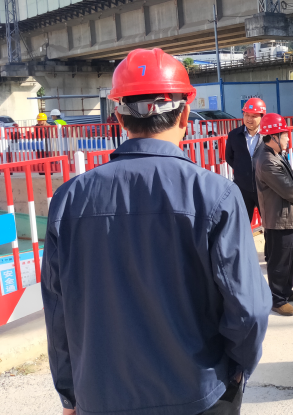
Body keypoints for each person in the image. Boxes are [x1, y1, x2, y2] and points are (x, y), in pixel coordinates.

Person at [41, 48, 272, 415]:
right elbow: (249, 309)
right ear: (185, 114)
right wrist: (236, 371)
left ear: (119, 116)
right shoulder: (215, 194)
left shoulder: (69, 199)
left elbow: (57, 313)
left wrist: (69, 394)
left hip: (101, 396)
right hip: (199, 393)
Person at [255, 113, 293, 317]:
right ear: (274, 136)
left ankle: (286, 291)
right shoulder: (267, 160)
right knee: (279, 262)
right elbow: (286, 188)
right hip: (279, 218)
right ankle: (277, 299)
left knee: (288, 259)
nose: (288, 138)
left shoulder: (276, 153)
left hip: (288, 217)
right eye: (285, 135)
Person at [226, 98, 266, 222]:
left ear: (262, 116)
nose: (249, 119)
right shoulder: (234, 135)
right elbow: (229, 157)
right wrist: (243, 169)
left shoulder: (268, 135)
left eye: (254, 116)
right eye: (246, 115)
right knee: (242, 224)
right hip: (242, 188)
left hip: (265, 188)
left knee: (270, 225)